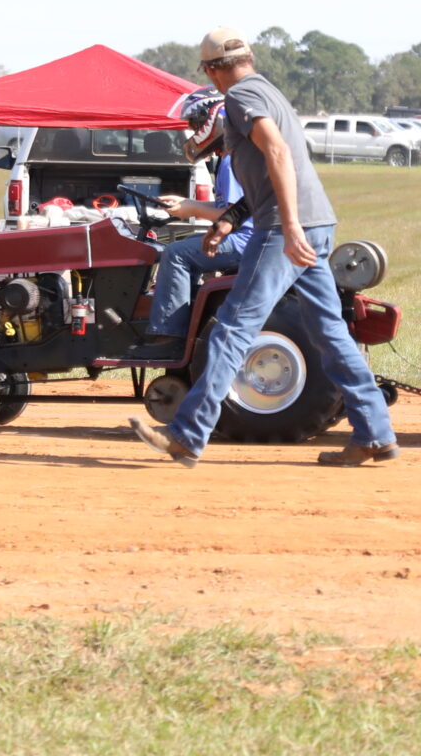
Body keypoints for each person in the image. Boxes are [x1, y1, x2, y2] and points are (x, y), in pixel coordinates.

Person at [127, 29, 400, 467]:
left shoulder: (238, 97)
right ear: (248, 58)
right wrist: (229, 221)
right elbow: (266, 174)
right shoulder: (269, 91)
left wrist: (288, 227)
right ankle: (375, 433)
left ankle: (187, 433)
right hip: (316, 223)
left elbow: (276, 153)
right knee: (329, 333)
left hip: (285, 230)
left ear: (213, 71)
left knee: (233, 329)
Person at [136, 91, 257, 350]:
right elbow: (228, 208)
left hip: (243, 241)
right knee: (188, 245)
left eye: (195, 124)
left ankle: (169, 332)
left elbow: (232, 215)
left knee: (176, 253)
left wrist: (191, 208)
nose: (194, 131)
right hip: (246, 238)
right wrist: (186, 204)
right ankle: (188, 318)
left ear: (214, 122)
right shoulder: (234, 155)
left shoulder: (230, 160)